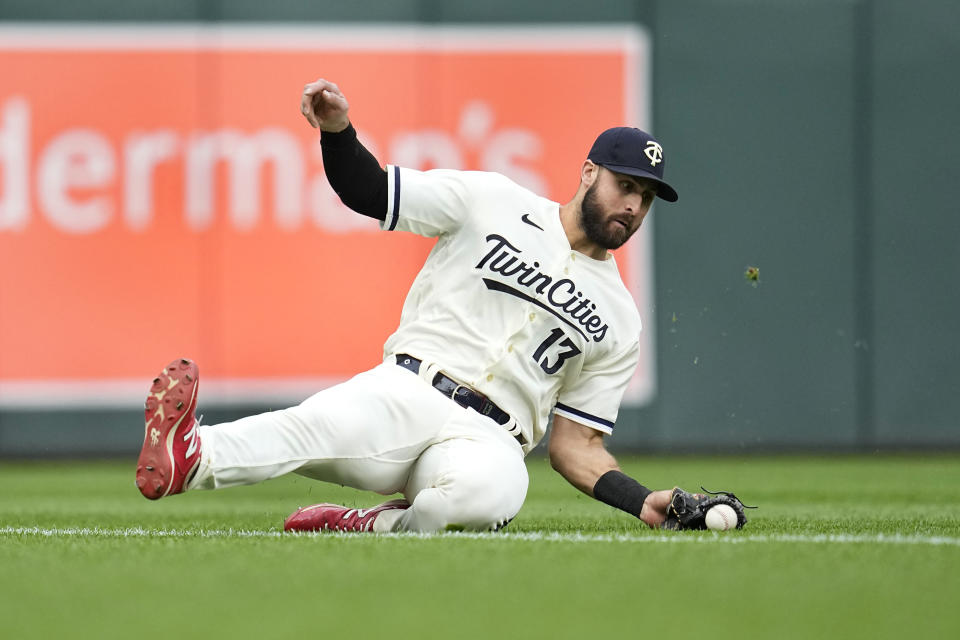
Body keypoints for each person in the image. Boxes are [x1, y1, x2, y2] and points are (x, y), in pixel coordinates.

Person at [135, 77, 681, 533]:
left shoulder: (620, 319)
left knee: (477, 502)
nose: (633, 206)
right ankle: (193, 455)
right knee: (313, 426)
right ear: (589, 173)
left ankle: (369, 525)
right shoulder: (491, 201)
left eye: (646, 197)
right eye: (624, 185)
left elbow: (575, 446)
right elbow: (368, 190)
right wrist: (336, 132)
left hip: (492, 440)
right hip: (410, 389)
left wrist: (642, 500)